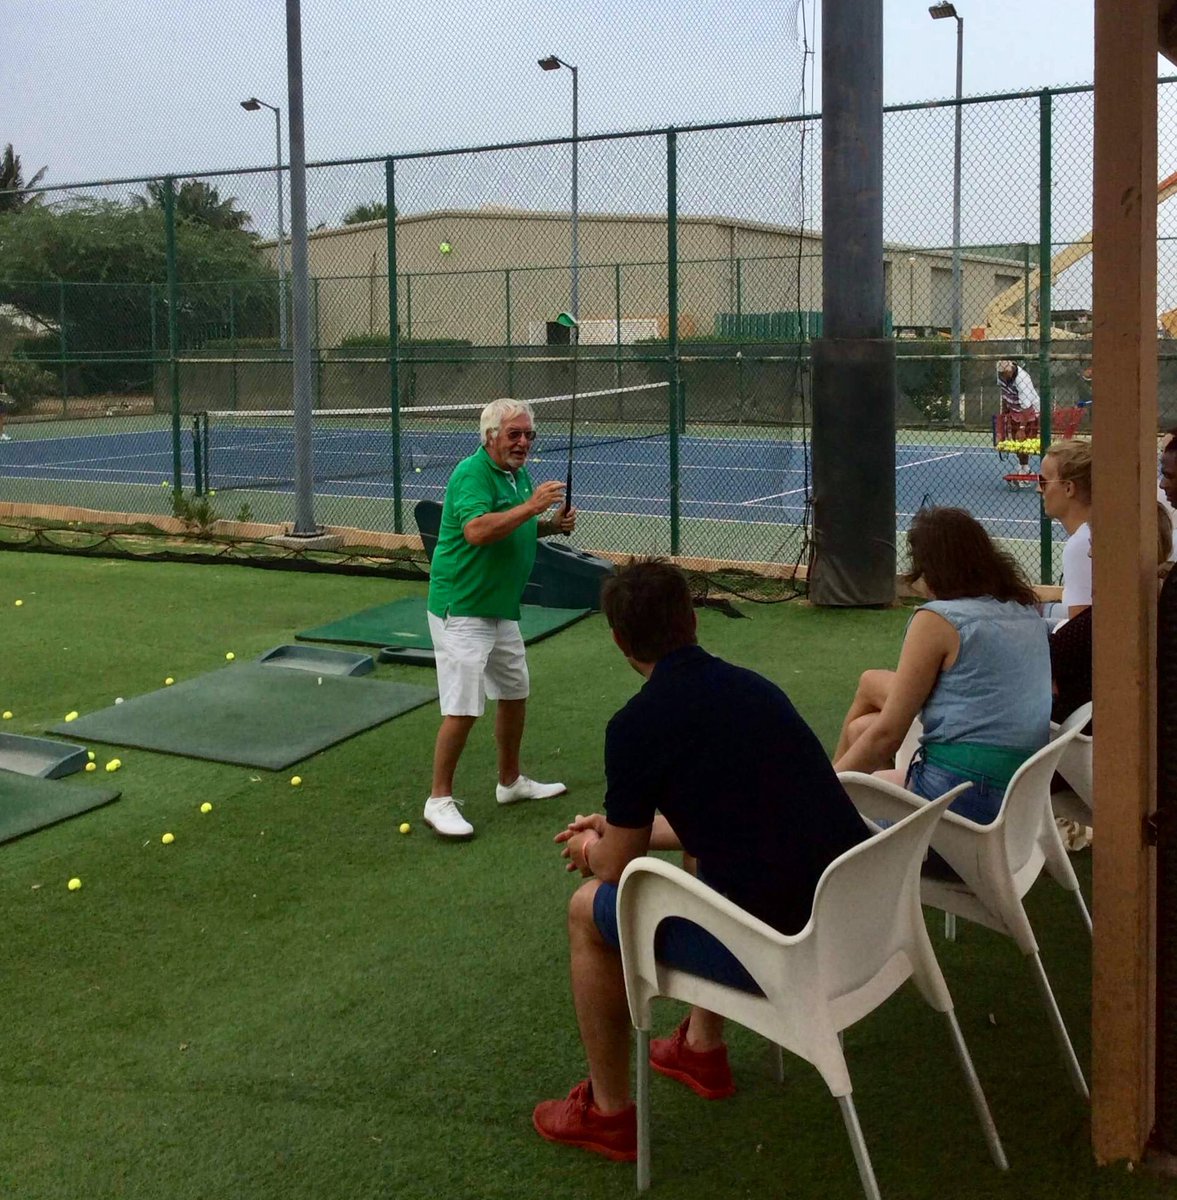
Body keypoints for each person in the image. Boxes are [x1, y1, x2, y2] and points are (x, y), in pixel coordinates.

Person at [532, 560, 870, 1162]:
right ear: (691, 619)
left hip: (785, 953)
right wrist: (617, 831)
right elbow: (721, 816)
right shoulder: (756, 689)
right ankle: (701, 1046)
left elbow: (615, 868)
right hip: (855, 925)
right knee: (698, 851)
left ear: (618, 641)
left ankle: (608, 1114)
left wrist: (593, 847)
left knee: (587, 911)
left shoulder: (636, 725)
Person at [833, 507, 1051, 825]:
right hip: (1016, 811)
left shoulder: (937, 620)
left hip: (956, 808)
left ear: (929, 567)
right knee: (862, 727)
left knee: (834, 807)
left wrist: (822, 792)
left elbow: (888, 736)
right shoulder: (1026, 612)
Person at [423, 397, 576, 840]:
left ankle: (509, 782)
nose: (524, 442)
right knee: (464, 707)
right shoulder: (471, 473)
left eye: (529, 434)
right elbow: (476, 530)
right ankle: (438, 800)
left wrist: (549, 525)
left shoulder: (515, 473)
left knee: (514, 690)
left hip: (499, 607)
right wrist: (532, 507)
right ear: (490, 436)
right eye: (515, 434)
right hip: (464, 607)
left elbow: (514, 525)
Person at [1050, 500, 1173, 727]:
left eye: (1094, 544)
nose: (1089, 554)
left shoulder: (1099, 626)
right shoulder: (1160, 604)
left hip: (1078, 738)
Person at [1038, 439, 1092, 620]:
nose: (1038, 489)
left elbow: (1081, 631)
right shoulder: (1091, 534)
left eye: (1043, 481)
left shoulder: (1082, 545)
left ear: (1068, 488)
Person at [997, 359, 1041, 472]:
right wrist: (1004, 414)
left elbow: (1026, 407)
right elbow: (1004, 394)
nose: (1003, 376)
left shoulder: (1022, 380)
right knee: (1017, 443)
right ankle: (1024, 468)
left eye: (1005, 374)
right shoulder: (1000, 375)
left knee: (1025, 442)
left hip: (1030, 411)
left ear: (1011, 370)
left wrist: (1022, 428)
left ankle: (1025, 469)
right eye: (1001, 374)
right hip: (1014, 410)